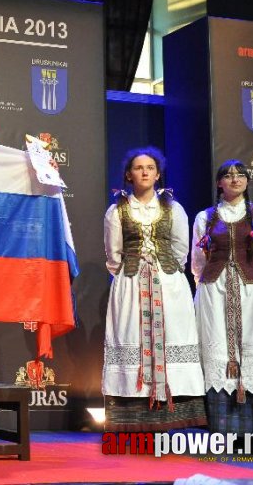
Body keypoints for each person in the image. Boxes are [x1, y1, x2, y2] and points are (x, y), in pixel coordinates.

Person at [101, 147, 206, 431]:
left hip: (168, 283)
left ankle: (172, 414)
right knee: (132, 334)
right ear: (128, 174)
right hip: (131, 282)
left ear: (158, 174)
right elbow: (114, 255)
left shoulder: (173, 208)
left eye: (150, 167)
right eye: (138, 167)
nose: (145, 172)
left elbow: (181, 249)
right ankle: (132, 417)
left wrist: (164, 270)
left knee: (172, 334)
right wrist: (131, 273)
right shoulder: (117, 210)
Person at [191, 160, 253, 435]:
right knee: (218, 349)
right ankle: (222, 426)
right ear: (219, 182)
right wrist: (210, 285)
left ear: (247, 181)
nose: (235, 179)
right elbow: (197, 264)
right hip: (215, 293)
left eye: (240, 175)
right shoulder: (205, 217)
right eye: (228, 176)